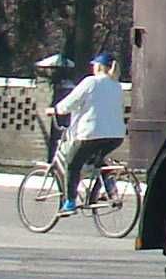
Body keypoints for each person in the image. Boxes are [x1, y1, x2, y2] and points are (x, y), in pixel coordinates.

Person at [51, 50, 125, 214]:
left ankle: (70, 202)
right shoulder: (117, 86)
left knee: (72, 165)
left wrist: (56, 109)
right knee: (100, 162)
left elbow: (71, 101)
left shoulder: (91, 82)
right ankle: (110, 191)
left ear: (98, 67)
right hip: (116, 136)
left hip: (91, 135)